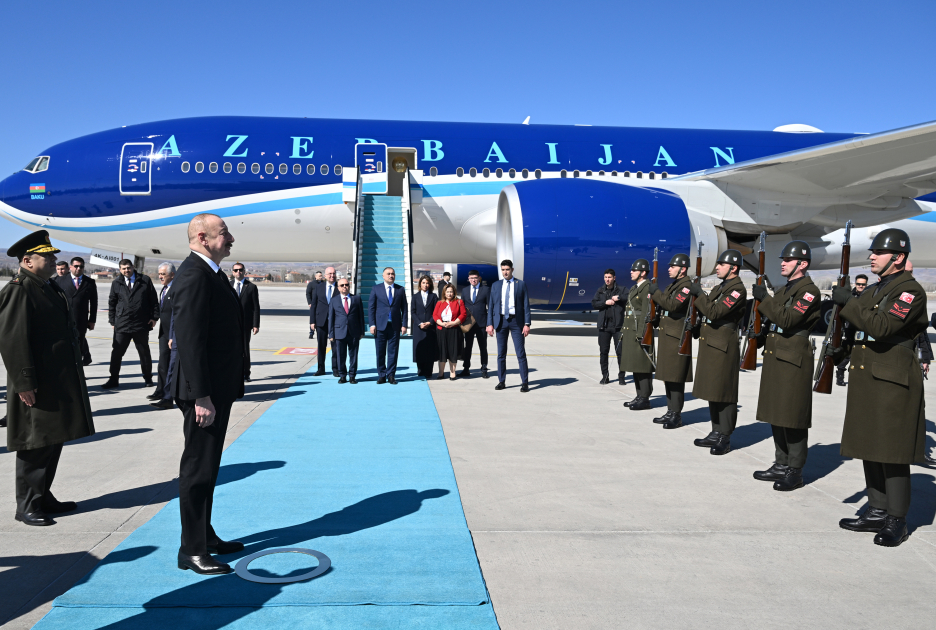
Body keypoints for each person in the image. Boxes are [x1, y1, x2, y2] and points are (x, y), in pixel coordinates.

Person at [831, 228, 927, 547]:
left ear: (898, 258)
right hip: (869, 375)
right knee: (870, 446)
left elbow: (881, 326)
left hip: (892, 379)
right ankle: (876, 509)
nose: (871, 256)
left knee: (892, 451)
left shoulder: (910, 291)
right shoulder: (875, 290)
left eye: (878, 252)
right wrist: (841, 350)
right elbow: (862, 328)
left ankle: (896, 519)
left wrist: (850, 302)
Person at [0, 230, 94, 526]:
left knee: (53, 440)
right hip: (37, 383)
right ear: (27, 261)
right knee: (35, 443)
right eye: (48, 256)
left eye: (54, 255)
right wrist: (25, 383)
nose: (56, 260)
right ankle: (27, 504)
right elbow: (13, 340)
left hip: (56, 381)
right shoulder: (19, 289)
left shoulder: (47, 287)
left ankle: (43, 495)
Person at [170, 213, 245, 574]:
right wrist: (201, 396)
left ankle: (205, 534)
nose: (230, 240)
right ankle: (192, 550)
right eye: (224, 234)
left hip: (215, 389)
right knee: (198, 469)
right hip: (204, 394)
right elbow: (189, 339)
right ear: (202, 237)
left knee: (209, 467)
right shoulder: (193, 275)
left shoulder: (210, 273)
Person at [750, 241, 821, 491]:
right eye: (783, 259)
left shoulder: (809, 292)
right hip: (776, 355)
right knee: (777, 414)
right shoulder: (784, 289)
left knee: (792, 417)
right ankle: (781, 463)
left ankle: (795, 470)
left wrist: (764, 300)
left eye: (787, 260)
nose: (782, 263)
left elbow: (788, 319)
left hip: (793, 359)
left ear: (802, 264)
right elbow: (773, 319)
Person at [688, 249, 747, 456]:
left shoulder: (737, 290)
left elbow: (714, 311)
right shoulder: (722, 287)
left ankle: (725, 435)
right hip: (712, 344)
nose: (717, 268)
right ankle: (715, 430)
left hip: (723, 346)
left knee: (725, 392)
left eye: (721, 265)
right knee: (713, 390)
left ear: (734, 268)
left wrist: (698, 294)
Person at [648, 254, 693, 428]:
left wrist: (656, 292)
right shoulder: (674, 285)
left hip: (676, 336)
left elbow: (673, 305)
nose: (669, 269)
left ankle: (676, 414)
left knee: (676, 377)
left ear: (682, 269)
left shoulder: (686, 287)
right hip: (668, 334)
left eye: (672, 266)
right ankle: (670, 411)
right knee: (668, 376)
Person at [102, 259, 159, 389]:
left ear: (133, 267)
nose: (126, 270)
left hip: (141, 323)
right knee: (116, 353)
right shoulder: (116, 283)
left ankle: (148, 378)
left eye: (128, 268)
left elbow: (154, 301)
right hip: (122, 324)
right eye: (123, 269)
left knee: (144, 352)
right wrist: (112, 321)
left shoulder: (145, 280)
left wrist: (154, 317)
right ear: (120, 270)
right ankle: (113, 379)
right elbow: (112, 303)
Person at [487, 259, 531, 392]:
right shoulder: (495, 285)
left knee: (520, 353)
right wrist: (489, 324)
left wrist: (527, 323)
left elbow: (526, 305)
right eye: (503, 270)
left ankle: (524, 382)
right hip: (500, 322)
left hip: (516, 322)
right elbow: (491, 306)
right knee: (501, 353)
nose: (505, 272)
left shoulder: (520, 284)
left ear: (512, 270)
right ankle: (501, 381)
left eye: (507, 269)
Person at [620, 259, 655, 410]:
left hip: (639, 333)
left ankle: (645, 397)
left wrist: (642, 334)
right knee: (635, 365)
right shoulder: (635, 288)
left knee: (643, 366)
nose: (631, 272)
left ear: (643, 272)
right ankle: (639, 395)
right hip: (631, 331)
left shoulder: (647, 288)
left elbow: (647, 313)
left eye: (634, 270)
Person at [54, 256, 97, 366]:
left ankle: (79, 376)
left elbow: (94, 303)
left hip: (81, 321)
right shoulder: (59, 280)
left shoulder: (90, 282)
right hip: (63, 321)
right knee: (64, 349)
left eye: (81, 266)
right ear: (71, 267)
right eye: (76, 266)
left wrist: (92, 320)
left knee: (79, 350)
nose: (78, 268)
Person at [368, 267, 408, 384]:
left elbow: (404, 309)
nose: (391, 276)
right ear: (383, 276)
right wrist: (372, 324)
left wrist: (404, 324)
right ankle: (381, 374)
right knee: (380, 352)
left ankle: (391, 375)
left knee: (393, 352)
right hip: (380, 326)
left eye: (393, 274)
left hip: (395, 326)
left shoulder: (400, 290)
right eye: (388, 274)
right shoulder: (376, 289)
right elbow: (371, 308)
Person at [148, 263, 176, 410]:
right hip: (163, 333)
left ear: (172, 275)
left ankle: (168, 396)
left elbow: (175, 315)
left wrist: (172, 335)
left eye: (163, 274)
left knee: (171, 366)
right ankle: (160, 390)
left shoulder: (176, 289)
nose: (160, 277)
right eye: (159, 274)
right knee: (162, 364)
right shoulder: (164, 289)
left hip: (173, 334)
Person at [592, 268, 626, 385]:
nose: (607, 279)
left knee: (620, 353)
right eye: (606, 277)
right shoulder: (600, 290)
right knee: (603, 352)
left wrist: (619, 298)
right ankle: (605, 376)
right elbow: (594, 303)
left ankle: (621, 377)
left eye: (609, 277)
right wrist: (605, 302)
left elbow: (629, 297)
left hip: (618, 327)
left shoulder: (621, 290)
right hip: (604, 327)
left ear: (614, 278)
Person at [328, 278, 364, 383]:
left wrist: (361, 331)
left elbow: (361, 316)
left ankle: (352, 375)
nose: (345, 287)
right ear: (338, 288)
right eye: (342, 285)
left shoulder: (356, 299)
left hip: (354, 332)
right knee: (340, 355)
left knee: (353, 355)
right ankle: (342, 375)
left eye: (346, 284)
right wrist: (331, 333)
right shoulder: (334, 300)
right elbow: (331, 318)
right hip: (339, 332)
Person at [836, 273, 868, 386]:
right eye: (858, 284)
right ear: (855, 284)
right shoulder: (849, 296)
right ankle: (839, 376)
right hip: (849, 328)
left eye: (863, 284)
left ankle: (856, 378)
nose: (860, 286)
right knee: (847, 353)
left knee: (860, 354)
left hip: (861, 328)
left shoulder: (867, 297)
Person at [230, 263, 260, 382]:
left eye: (240, 270)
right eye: (236, 270)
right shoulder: (228, 285)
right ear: (232, 272)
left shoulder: (251, 287)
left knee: (244, 350)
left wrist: (255, 324)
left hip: (245, 324)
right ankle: (232, 373)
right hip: (230, 324)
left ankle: (246, 373)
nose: (238, 272)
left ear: (244, 271)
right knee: (231, 349)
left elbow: (256, 307)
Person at [460, 270, 490, 379]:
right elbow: (462, 307)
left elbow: (490, 307)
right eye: (471, 278)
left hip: (482, 323)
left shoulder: (485, 290)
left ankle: (484, 368)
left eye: (475, 278)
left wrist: (490, 323)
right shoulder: (465, 290)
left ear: (479, 278)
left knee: (483, 347)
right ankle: (466, 368)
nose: (473, 280)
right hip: (469, 324)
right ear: (468, 279)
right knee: (468, 347)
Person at [434, 283, 468, 380]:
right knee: (442, 351)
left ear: (454, 293)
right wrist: (441, 323)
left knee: (453, 351)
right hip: (442, 329)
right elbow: (435, 315)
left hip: (454, 329)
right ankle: (441, 373)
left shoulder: (459, 302)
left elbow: (463, 315)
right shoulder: (439, 303)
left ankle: (452, 373)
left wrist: (453, 323)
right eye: (447, 292)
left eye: (451, 292)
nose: (449, 294)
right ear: (444, 293)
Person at [311, 267, 340, 376]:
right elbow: (313, 305)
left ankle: (335, 369)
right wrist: (312, 321)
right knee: (321, 346)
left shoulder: (340, 287)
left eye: (334, 273)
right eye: (330, 274)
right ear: (325, 275)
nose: (332, 275)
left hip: (336, 321)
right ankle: (321, 368)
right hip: (321, 321)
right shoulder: (318, 288)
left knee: (335, 347)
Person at [412, 275, 439, 377]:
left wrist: (430, 322)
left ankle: (428, 371)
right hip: (419, 327)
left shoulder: (434, 296)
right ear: (420, 284)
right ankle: (420, 370)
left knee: (429, 349)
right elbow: (413, 312)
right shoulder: (415, 296)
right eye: (423, 283)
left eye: (427, 283)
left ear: (430, 284)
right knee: (420, 348)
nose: (425, 285)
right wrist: (419, 323)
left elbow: (436, 312)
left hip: (430, 327)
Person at [306, 272, 322, 339]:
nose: (320, 277)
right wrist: (309, 303)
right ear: (315, 276)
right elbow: (308, 294)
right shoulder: (311, 284)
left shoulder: (323, 284)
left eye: (321, 276)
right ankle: (311, 333)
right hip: (314, 304)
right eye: (319, 276)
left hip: (321, 304)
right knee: (313, 318)